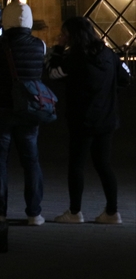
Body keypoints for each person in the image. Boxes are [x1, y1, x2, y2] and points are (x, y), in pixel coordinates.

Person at [47, 17, 125, 224]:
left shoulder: (75, 58)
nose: (61, 36)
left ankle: (75, 212)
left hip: (82, 118)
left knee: (77, 166)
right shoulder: (109, 55)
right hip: (106, 118)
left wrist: (58, 49)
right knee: (103, 165)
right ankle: (112, 212)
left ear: (72, 36)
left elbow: (52, 74)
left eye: (64, 34)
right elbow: (125, 79)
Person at [0, 1, 46, 225]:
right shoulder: (40, 44)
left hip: (1, 107)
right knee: (31, 161)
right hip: (29, 109)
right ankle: (34, 213)